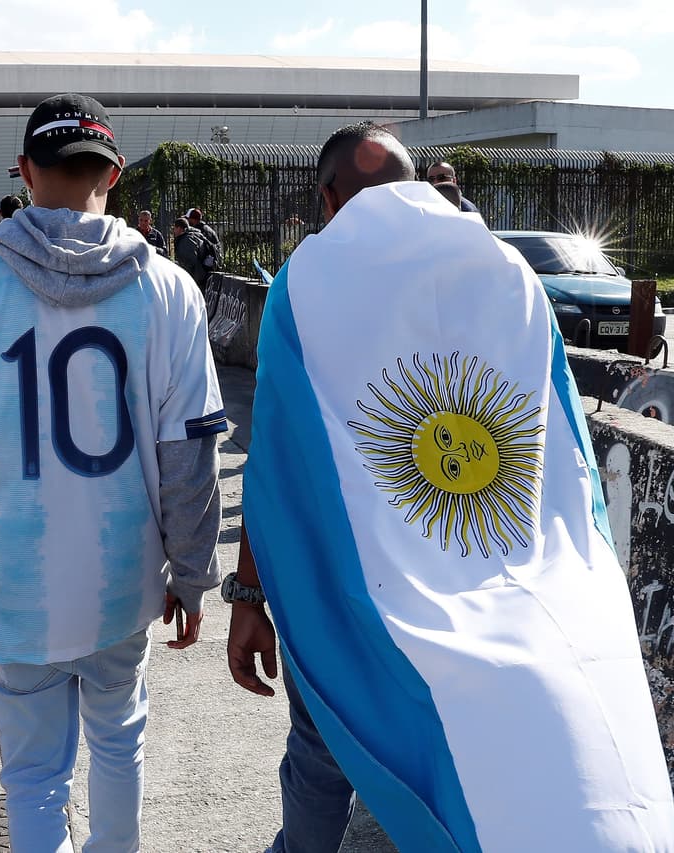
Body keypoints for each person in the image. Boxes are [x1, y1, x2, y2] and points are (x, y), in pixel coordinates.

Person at [228, 121, 674, 852]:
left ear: (330, 196)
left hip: (360, 591)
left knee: (323, 748)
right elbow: (560, 435)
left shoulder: (307, 283)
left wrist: (251, 598)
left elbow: (281, 460)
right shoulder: (506, 270)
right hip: (517, 585)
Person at [0, 92, 226, 852]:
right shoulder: (167, 287)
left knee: (32, 773)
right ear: (112, 176)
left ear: (24, 172)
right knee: (119, 741)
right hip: (122, 576)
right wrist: (191, 570)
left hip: (11, 578)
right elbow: (190, 450)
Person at [172, 216, 209, 289]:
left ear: (179, 228)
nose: (174, 231)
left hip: (194, 278)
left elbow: (189, 262)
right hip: (200, 276)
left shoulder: (186, 240)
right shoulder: (192, 236)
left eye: (174, 228)